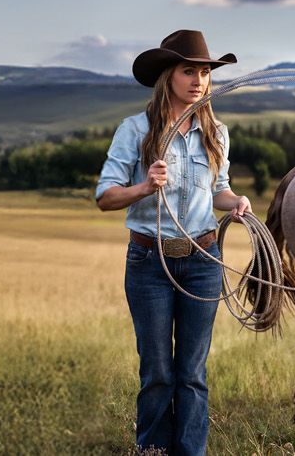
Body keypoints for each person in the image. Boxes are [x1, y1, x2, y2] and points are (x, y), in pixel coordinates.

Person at [95, 29, 250, 456]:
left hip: (203, 260)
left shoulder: (216, 132)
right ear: (169, 75)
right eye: (189, 71)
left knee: (192, 373)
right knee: (159, 371)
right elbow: (105, 196)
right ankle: (153, 451)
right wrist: (144, 188)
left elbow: (218, 189)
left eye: (204, 72)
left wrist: (234, 201)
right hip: (149, 262)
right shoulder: (135, 130)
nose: (198, 80)